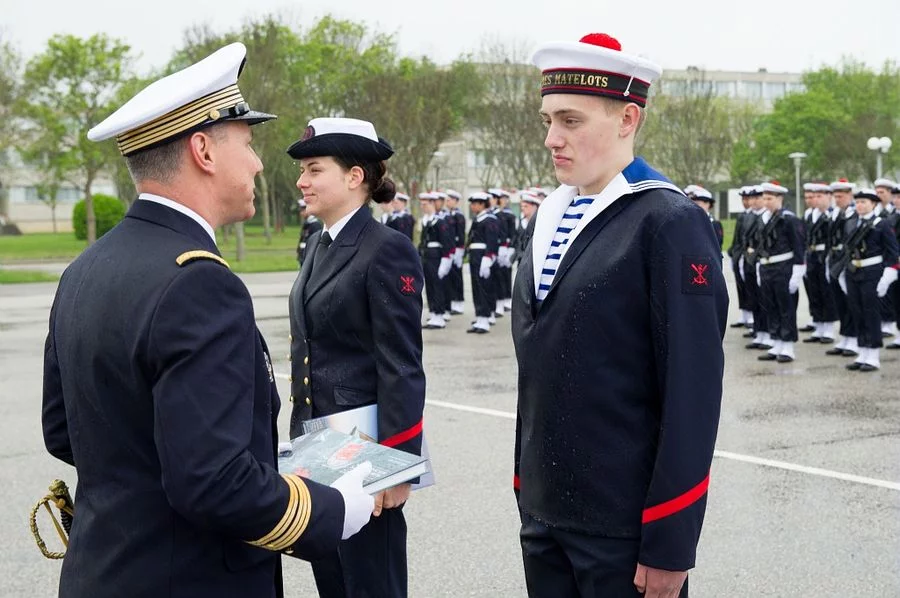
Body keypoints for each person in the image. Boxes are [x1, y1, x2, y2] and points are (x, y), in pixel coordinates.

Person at [41, 43, 374, 598]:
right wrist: (333, 510)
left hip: (104, 572)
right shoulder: (198, 282)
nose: (259, 163)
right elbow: (212, 483)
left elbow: (64, 430)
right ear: (204, 150)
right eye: (246, 143)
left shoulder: (85, 267)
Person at [513, 33, 727, 598]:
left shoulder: (667, 221)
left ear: (627, 118)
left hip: (624, 533)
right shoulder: (547, 218)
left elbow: (692, 394)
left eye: (570, 120)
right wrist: (526, 481)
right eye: (546, 121)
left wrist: (670, 539)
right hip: (546, 514)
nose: (551, 138)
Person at [286, 117, 426, 598]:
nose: (302, 181)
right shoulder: (320, 245)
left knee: (371, 584)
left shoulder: (386, 250)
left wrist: (399, 466)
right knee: (334, 583)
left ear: (355, 176)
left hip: (365, 455)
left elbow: (401, 365)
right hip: (318, 448)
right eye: (303, 170)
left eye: (314, 169)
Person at [838, 188, 900, 371]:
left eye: (863, 202)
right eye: (857, 202)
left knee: (871, 312)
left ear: (873, 204)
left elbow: (892, 252)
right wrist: (842, 272)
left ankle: (873, 355)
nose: (859, 205)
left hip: (872, 272)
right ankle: (862, 352)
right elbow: (846, 250)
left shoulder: (882, 224)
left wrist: (888, 275)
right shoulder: (851, 223)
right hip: (853, 271)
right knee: (857, 311)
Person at [755, 181, 805, 363]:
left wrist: (798, 271)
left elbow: (799, 246)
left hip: (784, 267)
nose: (766, 202)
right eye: (764, 198)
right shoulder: (763, 219)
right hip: (767, 267)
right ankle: (776, 341)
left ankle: (788, 346)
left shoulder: (789, 219)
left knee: (786, 308)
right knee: (771, 306)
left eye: (770, 198)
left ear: (780, 198)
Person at [824, 179, 860, 357]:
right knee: (839, 300)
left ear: (850, 195)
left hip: (846, 260)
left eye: (841, 196)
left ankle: (853, 338)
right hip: (834, 259)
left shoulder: (854, 215)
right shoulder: (837, 214)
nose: (837, 199)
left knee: (850, 301)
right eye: (835, 196)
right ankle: (845, 336)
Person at [802, 183, 838, 344]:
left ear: (829, 197)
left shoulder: (832, 215)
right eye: (814, 196)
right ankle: (818, 324)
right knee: (813, 290)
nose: (816, 199)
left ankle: (829, 328)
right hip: (811, 255)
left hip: (825, 255)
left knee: (826, 291)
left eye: (820, 196)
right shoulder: (810, 214)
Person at [418, 191, 455, 329]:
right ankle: (434, 313)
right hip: (427, 256)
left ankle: (439, 314)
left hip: (437, 256)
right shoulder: (426, 220)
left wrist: (446, 260)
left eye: (425, 204)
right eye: (421, 204)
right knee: (430, 286)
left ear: (433, 203)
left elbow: (447, 242)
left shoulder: (440, 221)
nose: (423, 206)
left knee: (437, 285)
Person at [465, 192, 500, 333]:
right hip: (475, 255)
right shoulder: (478, 219)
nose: (472, 206)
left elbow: (492, 240)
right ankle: (479, 317)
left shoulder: (490, 219)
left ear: (482, 204)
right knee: (476, 287)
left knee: (484, 287)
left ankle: (485, 318)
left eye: (474, 203)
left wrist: (488, 258)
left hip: (483, 256)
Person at [729, 186, 756, 330]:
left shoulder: (755, 216)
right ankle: (744, 314)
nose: (745, 202)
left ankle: (751, 315)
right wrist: (733, 252)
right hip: (739, 254)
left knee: (750, 286)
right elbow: (737, 237)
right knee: (741, 285)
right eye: (743, 199)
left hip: (749, 255)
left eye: (748, 199)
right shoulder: (742, 215)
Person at [445, 189, 467, 314]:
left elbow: (461, 234)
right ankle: (452, 302)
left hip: (456, 249)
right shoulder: (447, 215)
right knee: (450, 277)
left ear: (456, 201)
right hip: (450, 249)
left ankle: (459, 303)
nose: (447, 202)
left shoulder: (459, 216)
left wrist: (459, 250)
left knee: (457, 277)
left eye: (449, 200)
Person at [298, 198, 324, 266]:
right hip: (304, 255)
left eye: (303, 210)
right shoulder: (307, 224)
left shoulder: (315, 224)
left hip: (310, 257)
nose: (301, 213)